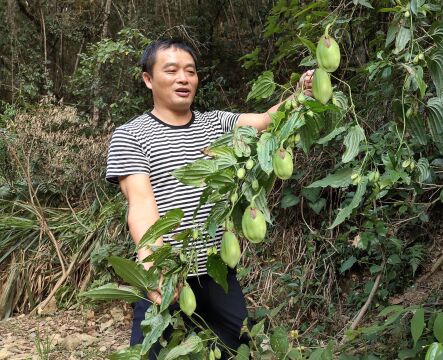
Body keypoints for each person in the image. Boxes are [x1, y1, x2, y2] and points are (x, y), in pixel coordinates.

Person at [105, 39, 314, 359]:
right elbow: (141, 205)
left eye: (190, 71)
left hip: (216, 273)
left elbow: (264, 121)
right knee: (154, 354)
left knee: (236, 351)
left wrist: (301, 93)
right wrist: (154, 267)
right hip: (167, 273)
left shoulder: (216, 124)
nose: (183, 78)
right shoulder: (131, 135)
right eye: (171, 70)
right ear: (148, 79)